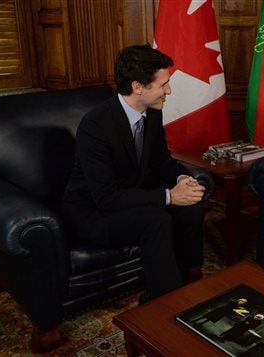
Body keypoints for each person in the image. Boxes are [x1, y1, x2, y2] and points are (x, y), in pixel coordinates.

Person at [61, 45, 206, 305]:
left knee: (192, 204)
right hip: (93, 211)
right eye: (164, 84)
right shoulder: (96, 125)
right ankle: (163, 303)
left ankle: (188, 278)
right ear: (139, 87)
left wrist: (182, 180)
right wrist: (169, 196)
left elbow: (161, 160)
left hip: (129, 197)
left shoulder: (152, 112)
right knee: (156, 219)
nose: (169, 91)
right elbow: (106, 198)